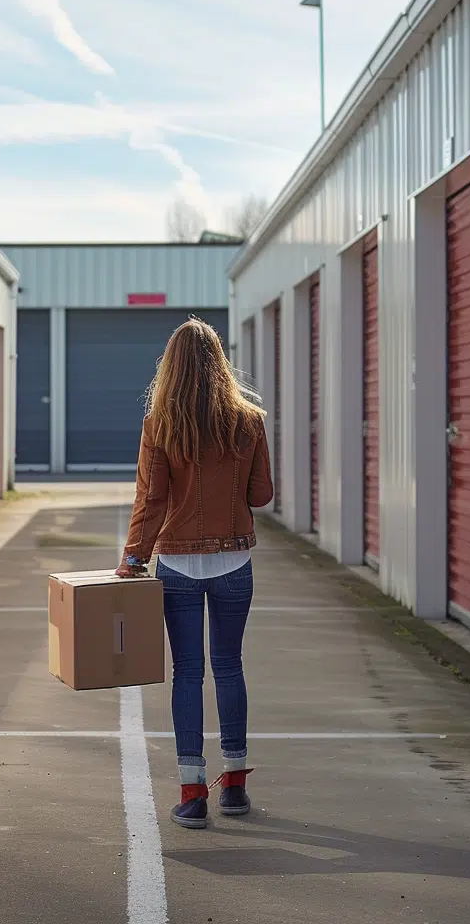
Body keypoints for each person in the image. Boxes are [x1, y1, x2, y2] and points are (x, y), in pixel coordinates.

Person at [115, 316, 273, 830]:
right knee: (229, 666)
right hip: (235, 562)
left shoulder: (159, 425)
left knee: (188, 672)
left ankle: (191, 793)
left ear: (172, 368)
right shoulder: (249, 421)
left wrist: (134, 559)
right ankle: (234, 787)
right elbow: (260, 496)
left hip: (178, 567)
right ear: (220, 364)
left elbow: (151, 501)